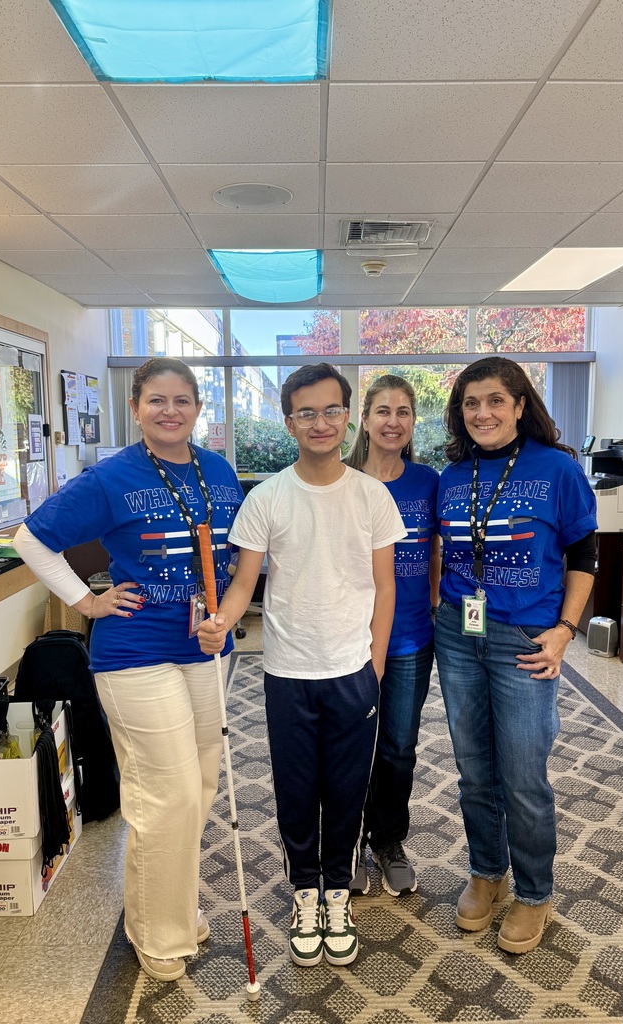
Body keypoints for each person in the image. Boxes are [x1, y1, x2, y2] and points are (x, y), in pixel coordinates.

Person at [14, 356, 243, 983]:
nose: (170, 411)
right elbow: (31, 539)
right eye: (156, 400)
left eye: (182, 400)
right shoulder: (111, 477)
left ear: (198, 408)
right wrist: (86, 601)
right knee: (166, 794)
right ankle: (157, 931)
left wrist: (227, 614)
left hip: (204, 648)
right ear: (136, 408)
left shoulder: (219, 469)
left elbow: (232, 555)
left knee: (199, 787)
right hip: (136, 654)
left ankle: (173, 905)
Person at [198, 363, 406, 969]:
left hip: (352, 670)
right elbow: (245, 583)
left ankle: (338, 894)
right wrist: (221, 620)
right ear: (289, 422)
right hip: (287, 672)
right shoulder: (267, 497)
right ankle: (304, 894)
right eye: (306, 413)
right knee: (295, 789)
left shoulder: (371, 496)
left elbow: (385, 587)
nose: (320, 423)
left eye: (331, 410)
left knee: (347, 789)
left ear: (348, 417)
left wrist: (375, 662)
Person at [434, 356, 597, 954]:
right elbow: (440, 551)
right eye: (471, 403)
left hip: (526, 638)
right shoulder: (452, 476)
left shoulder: (558, 469)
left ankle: (534, 892)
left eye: (495, 400)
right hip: (459, 632)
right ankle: (487, 872)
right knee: (474, 768)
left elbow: (585, 556)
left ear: (521, 405)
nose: (483, 413)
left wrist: (565, 631)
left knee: (523, 774)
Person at [344, 374, 440, 898]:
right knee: (352, 745)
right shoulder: (340, 478)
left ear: (412, 422)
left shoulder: (427, 482)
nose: (393, 421)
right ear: (364, 420)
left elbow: (435, 550)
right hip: (349, 642)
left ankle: (388, 841)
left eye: (403, 412)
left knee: (399, 747)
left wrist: (434, 602)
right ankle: (348, 842)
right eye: (382, 411)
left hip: (410, 641)